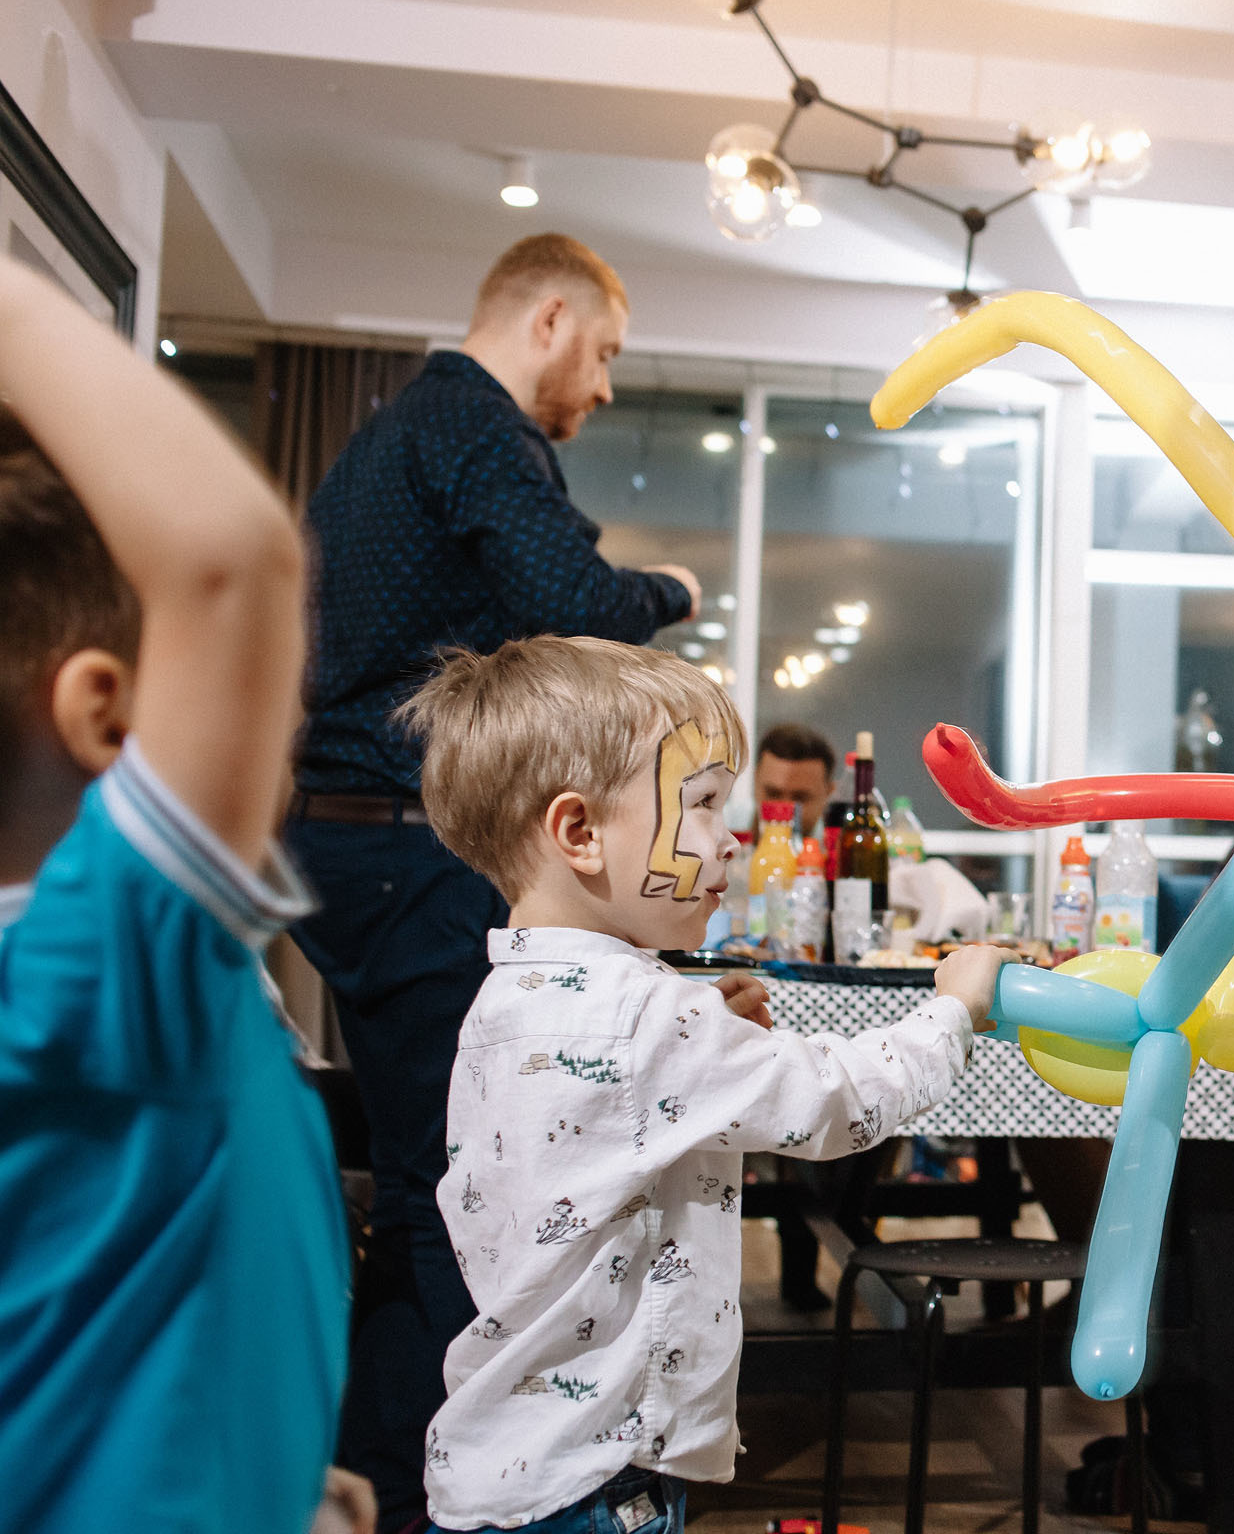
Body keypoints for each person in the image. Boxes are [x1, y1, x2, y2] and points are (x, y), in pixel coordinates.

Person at [287, 233, 702, 1530]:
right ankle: (454, 1496)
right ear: (551, 320)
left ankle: (377, 1475)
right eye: (608, 353)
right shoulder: (473, 425)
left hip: (349, 840)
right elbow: (575, 593)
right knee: (464, 1189)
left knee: (429, 1179)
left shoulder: (390, 439)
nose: (607, 385)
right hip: (407, 850)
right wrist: (674, 586)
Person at [397, 635, 996, 1532]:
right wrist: (950, 1011)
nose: (731, 837)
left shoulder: (508, 998)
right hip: (597, 1478)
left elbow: (603, 1110)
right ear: (579, 833)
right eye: (705, 803)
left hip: (508, 1461)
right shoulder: (646, 1020)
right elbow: (836, 1100)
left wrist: (700, 1022)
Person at [0, 259, 371, 1530]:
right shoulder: (92, 962)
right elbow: (231, 560)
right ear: (108, 714)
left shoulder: (95, 993)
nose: (277, 732)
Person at [755, 721, 839, 836]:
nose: (784, 813)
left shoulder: (841, 847)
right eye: (773, 794)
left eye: (800, 798)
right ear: (755, 782)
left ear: (828, 794)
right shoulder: (727, 829)